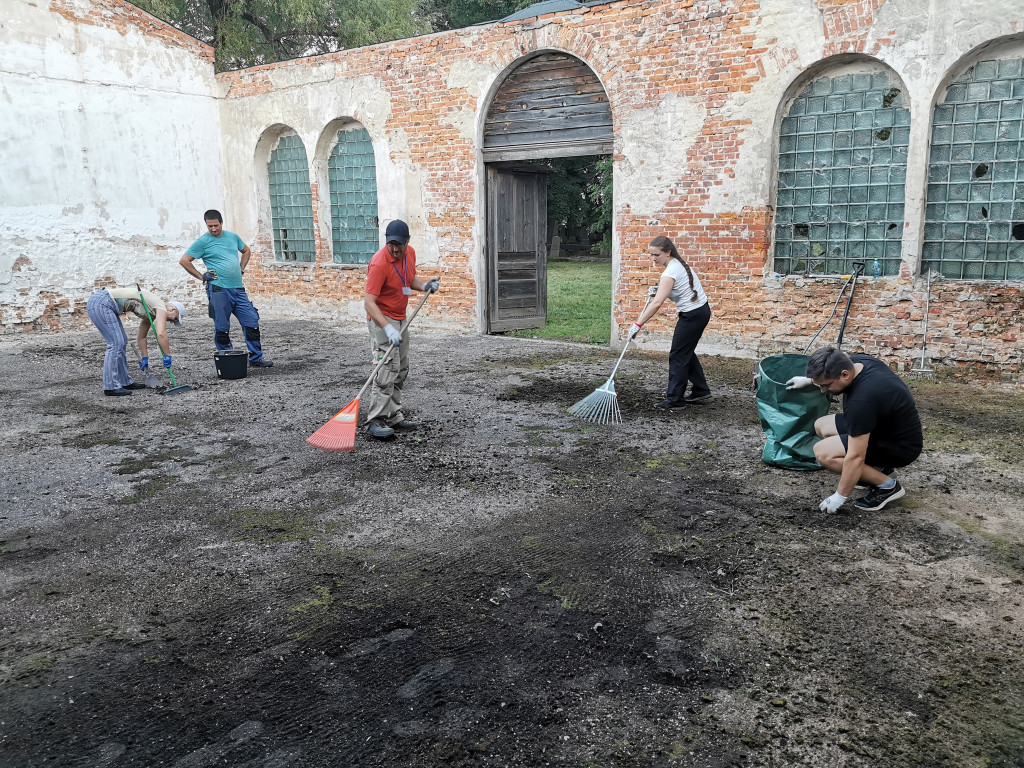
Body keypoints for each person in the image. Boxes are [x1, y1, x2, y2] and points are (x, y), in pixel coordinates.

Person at [787, 346, 923, 512]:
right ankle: (878, 470)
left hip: (900, 446)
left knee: (824, 453)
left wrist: (839, 496)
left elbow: (856, 456)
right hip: (885, 426)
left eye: (825, 385)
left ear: (844, 375)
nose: (823, 391)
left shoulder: (862, 400)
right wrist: (810, 381)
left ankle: (888, 486)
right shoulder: (858, 362)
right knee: (822, 426)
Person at [363, 219, 439, 440]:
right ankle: (375, 420)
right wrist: (387, 328)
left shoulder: (409, 254)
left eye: (399, 244)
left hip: (400, 317)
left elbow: (409, 277)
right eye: (391, 244)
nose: (395, 249)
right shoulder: (379, 263)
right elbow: (369, 302)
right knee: (387, 368)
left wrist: (425, 286)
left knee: (402, 367)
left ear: (408, 241)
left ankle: (393, 414)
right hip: (382, 318)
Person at [178, 210, 273, 368]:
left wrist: (242, 268)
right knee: (222, 325)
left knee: (251, 320)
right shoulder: (203, 241)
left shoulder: (232, 237)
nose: (213, 229)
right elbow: (184, 261)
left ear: (221, 222)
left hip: (238, 288)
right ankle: (227, 358)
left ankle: (256, 358)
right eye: (210, 226)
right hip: (218, 289)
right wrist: (201, 277)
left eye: (216, 225)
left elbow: (246, 251)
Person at [628, 235, 713, 410]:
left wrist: (637, 324)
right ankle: (701, 390)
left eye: (656, 255)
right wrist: (658, 289)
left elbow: (657, 303)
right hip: (700, 312)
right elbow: (673, 290)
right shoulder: (676, 265)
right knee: (684, 352)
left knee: (678, 356)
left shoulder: (669, 272)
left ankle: (675, 401)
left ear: (668, 252)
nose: (653, 258)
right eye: (650, 255)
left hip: (692, 315)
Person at [86, 286, 185, 396]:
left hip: (103, 302)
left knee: (121, 341)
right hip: (102, 302)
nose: (172, 321)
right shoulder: (161, 307)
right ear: (173, 309)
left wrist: (144, 357)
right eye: (175, 318)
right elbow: (161, 333)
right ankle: (110, 386)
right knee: (116, 343)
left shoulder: (152, 310)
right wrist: (167, 355)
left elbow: (142, 336)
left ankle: (125, 381)